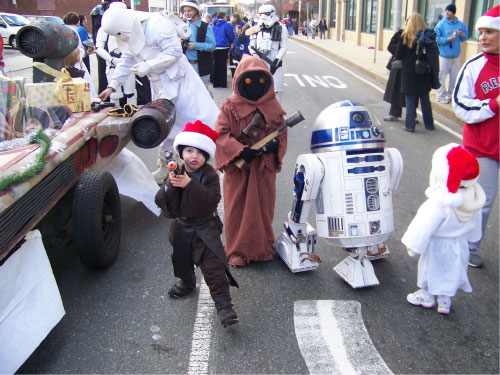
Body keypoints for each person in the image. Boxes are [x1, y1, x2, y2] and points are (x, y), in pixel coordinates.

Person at [97, 6, 219, 184]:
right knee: (165, 127)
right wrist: (112, 86)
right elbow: (127, 59)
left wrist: (150, 65)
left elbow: (175, 52)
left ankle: (200, 168)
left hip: (180, 82)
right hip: (160, 86)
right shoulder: (129, 34)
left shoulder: (157, 24)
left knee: (192, 124)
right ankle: (167, 166)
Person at [155, 120, 239, 328]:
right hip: (182, 229)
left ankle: (224, 306)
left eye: (200, 153)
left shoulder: (210, 175)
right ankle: (188, 282)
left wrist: (190, 185)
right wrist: (171, 185)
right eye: (189, 151)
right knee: (181, 261)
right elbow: (163, 203)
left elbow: (211, 200)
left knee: (214, 268)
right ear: (181, 153)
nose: (194, 156)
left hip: (204, 229)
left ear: (206, 157)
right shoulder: (176, 172)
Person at [214, 55, 287, 267]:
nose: (255, 86)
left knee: (263, 209)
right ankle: (237, 251)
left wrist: (274, 147)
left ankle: (263, 248)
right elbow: (220, 134)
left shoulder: (273, 106)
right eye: (248, 81)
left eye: (260, 81)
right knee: (237, 209)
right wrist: (238, 150)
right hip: (239, 169)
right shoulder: (230, 107)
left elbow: (282, 134)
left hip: (263, 168)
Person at [402, 143, 485, 314]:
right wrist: (472, 238)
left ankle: (426, 295)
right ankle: (445, 300)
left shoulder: (440, 200)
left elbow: (424, 224)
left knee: (430, 268)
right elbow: (476, 223)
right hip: (459, 243)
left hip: (438, 244)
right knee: (452, 270)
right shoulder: (474, 197)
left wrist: (414, 244)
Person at [452, 5, 499, 268]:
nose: (483, 37)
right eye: (481, 32)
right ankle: (469, 247)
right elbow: (460, 106)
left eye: (490, 32)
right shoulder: (473, 66)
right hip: (483, 149)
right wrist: (493, 105)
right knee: (483, 201)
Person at [395, 13, 440, 132]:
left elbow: (398, 54)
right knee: (425, 99)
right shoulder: (428, 36)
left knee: (410, 99)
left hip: (409, 72)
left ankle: (409, 125)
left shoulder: (405, 36)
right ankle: (429, 124)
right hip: (424, 72)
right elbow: (435, 54)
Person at [95, 2, 138, 106]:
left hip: (127, 61)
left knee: (131, 93)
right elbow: (98, 48)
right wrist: (112, 60)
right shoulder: (105, 28)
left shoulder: (129, 27)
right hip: (113, 63)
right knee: (114, 95)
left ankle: (132, 113)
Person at [248, 4, 288, 102]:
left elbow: (284, 47)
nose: (263, 17)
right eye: (261, 14)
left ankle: (276, 115)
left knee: (276, 91)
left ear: (272, 14)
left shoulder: (281, 28)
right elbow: (251, 45)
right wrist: (254, 55)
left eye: (266, 14)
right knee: (258, 92)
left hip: (274, 63)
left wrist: (277, 60)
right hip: (259, 63)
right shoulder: (256, 28)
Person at [434, 4, 468, 104]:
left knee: (454, 77)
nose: (447, 12)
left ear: (453, 12)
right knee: (442, 77)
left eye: (449, 11)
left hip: (456, 56)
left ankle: (451, 95)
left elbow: (465, 38)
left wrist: (462, 35)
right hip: (444, 55)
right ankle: (440, 95)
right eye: (446, 10)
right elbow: (436, 39)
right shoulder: (440, 25)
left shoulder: (460, 25)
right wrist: (447, 39)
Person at [180, 0, 215, 97]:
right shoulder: (181, 25)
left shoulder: (206, 27)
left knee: (203, 92)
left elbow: (212, 45)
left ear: (196, 11)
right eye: (185, 11)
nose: (186, 13)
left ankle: (208, 110)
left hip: (201, 65)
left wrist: (196, 46)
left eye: (189, 11)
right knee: (187, 93)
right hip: (185, 64)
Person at [63, 12, 97, 99]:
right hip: (75, 61)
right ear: (77, 21)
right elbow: (79, 47)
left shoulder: (63, 29)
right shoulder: (75, 31)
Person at [212, 11, 234, 88]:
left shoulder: (213, 24)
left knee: (216, 65)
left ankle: (216, 83)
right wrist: (231, 41)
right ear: (224, 16)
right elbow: (230, 35)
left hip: (215, 46)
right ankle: (223, 83)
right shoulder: (226, 24)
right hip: (224, 46)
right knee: (223, 65)